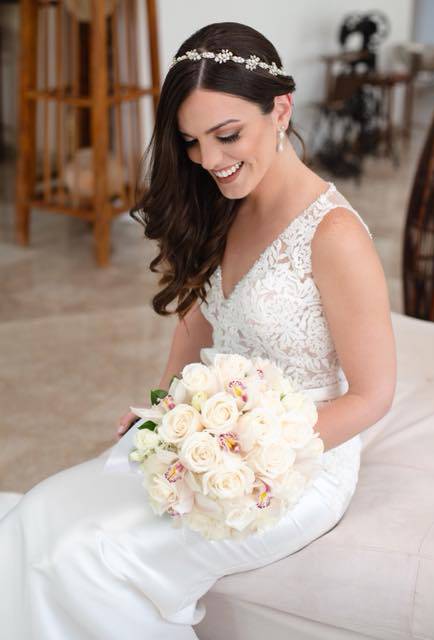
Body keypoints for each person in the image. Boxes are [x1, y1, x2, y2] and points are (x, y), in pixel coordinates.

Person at [0, 21, 396, 639]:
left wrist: (252, 444)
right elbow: (195, 324)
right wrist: (161, 411)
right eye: (191, 141)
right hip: (204, 435)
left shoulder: (335, 238)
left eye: (227, 135)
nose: (210, 160)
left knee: (89, 556)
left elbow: (372, 396)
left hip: (293, 467)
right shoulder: (221, 202)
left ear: (280, 108)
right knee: (40, 514)